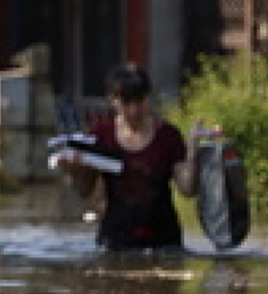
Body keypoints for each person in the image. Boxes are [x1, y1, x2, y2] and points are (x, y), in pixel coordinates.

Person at [57, 63, 197, 252]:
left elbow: (187, 188)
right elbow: (85, 190)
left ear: (148, 98)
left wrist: (194, 150)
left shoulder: (168, 136)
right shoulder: (100, 136)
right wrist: (75, 170)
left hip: (165, 241)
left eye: (139, 102)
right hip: (115, 241)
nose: (133, 111)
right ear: (113, 100)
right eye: (126, 103)